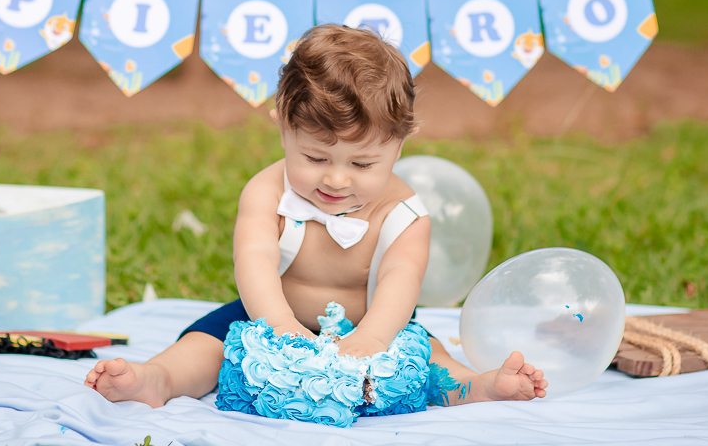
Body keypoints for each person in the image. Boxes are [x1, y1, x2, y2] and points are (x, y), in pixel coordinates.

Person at [85, 24, 547, 408]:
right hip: (270, 317)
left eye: (362, 164)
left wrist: (371, 338)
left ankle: (478, 387)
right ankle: (158, 380)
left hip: (372, 325)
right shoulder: (266, 192)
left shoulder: (404, 213)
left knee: (426, 356)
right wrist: (280, 328)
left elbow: (399, 284)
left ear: (401, 145)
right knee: (208, 345)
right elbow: (255, 262)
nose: (338, 180)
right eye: (316, 158)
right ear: (282, 127)